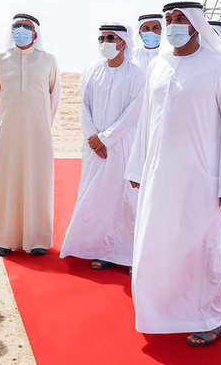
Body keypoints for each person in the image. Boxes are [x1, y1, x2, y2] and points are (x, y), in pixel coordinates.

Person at [125, 0, 221, 347]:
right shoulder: (158, 65)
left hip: (201, 177)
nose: (174, 24)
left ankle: (210, 318)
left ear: (195, 24)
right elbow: (147, 120)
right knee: (157, 244)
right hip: (158, 175)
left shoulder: (220, 66)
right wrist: (137, 165)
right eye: (169, 18)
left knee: (201, 247)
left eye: (181, 18)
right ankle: (162, 314)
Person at [60, 22, 144, 274]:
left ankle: (128, 255)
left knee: (124, 200)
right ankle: (98, 250)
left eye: (110, 38)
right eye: (101, 38)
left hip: (121, 145)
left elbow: (133, 112)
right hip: (93, 148)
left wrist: (105, 139)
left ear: (123, 42)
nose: (105, 42)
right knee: (96, 198)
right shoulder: (91, 71)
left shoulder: (137, 74)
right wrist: (93, 138)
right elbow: (84, 107)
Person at [0, 13, 61, 257]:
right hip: (7, 133)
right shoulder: (0, 59)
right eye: (16, 25)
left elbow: (54, 96)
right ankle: (3, 239)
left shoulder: (47, 60)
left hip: (38, 133)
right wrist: (6, 122)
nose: (21, 29)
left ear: (35, 33)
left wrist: (41, 123)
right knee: (6, 182)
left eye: (26, 26)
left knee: (37, 182)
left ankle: (37, 239)